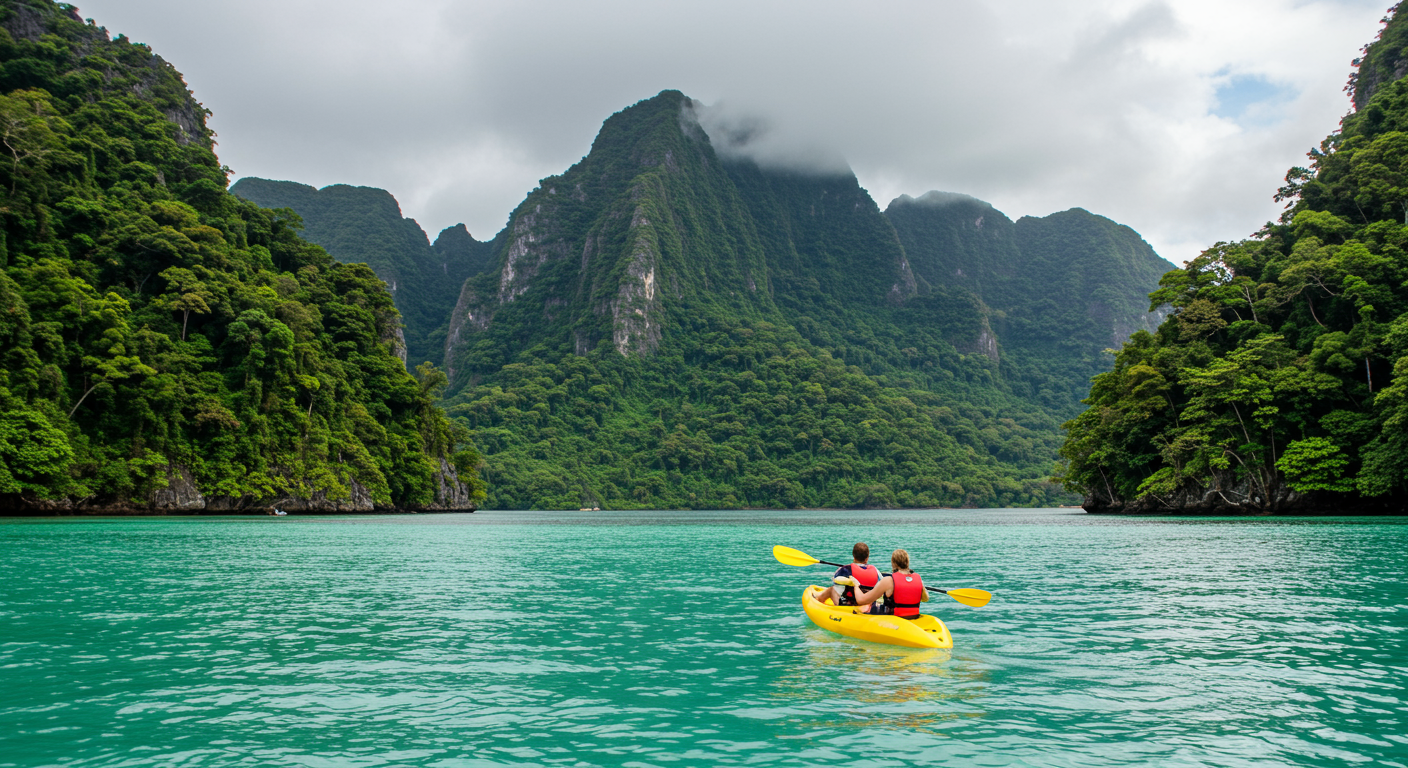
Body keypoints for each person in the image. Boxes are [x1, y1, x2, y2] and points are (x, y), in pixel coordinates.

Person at [852, 548, 928, 619]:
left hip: (894, 618)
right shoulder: (918, 579)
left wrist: (856, 585)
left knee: (872, 605)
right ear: (908, 562)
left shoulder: (888, 581)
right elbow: (925, 599)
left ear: (893, 563)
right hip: (914, 616)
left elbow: (861, 600)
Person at [810, 542, 882, 611]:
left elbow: (835, 582)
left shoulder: (845, 570)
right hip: (868, 603)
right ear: (867, 558)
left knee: (832, 589)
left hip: (849, 605)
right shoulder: (875, 571)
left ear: (854, 557)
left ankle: (818, 600)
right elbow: (882, 584)